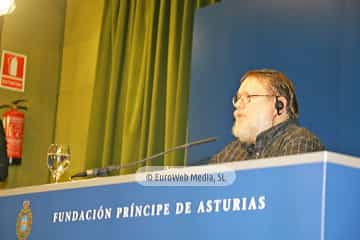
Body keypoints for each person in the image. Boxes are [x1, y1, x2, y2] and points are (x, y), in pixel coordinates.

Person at [209, 69, 324, 163]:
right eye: (238, 98)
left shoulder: (299, 141)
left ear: (279, 105)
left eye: (248, 97)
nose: (238, 104)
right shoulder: (230, 153)